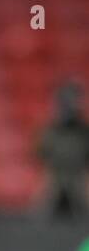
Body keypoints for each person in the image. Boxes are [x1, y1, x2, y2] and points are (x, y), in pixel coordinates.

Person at [36, 80, 89, 220]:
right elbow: (41, 155)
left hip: (78, 179)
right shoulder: (50, 132)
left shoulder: (84, 133)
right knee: (42, 216)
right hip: (55, 180)